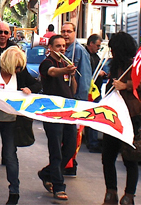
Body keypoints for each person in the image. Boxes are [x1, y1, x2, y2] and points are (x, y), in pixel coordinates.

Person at [0, 46, 41, 205]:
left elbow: (37, 85)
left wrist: (29, 89)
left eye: (20, 67)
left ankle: (14, 191)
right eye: (16, 67)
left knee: (11, 156)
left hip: (12, 121)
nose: (18, 70)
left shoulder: (21, 72)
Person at [101, 32, 141, 205]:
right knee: (108, 156)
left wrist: (126, 85)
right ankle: (111, 193)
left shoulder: (134, 66)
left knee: (131, 157)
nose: (111, 52)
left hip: (131, 117)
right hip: (113, 116)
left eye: (113, 48)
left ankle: (129, 196)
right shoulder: (114, 66)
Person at [37, 35, 78, 201]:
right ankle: (58, 186)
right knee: (56, 150)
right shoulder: (47, 63)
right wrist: (65, 71)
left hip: (68, 111)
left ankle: (47, 173)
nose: (62, 49)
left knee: (70, 147)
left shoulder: (65, 63)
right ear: (51, 48)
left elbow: (72, 88)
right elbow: (52, 73)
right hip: (52, 111)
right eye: (58, 46)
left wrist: (72, 74)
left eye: (64, 46)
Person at [60, 22, 92, 176]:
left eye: (69, 31)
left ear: (74, 32)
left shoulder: (79, 51)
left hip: (75, 101)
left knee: (73, 136)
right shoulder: (62, 51)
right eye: (63, 31)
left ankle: (70, 164)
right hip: (62, 100)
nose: (66, 34)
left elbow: (85, 80)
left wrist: (80, 102)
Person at [85, 34, 106, 153]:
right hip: (91, 92)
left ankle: (91, 141)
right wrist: (99, 74)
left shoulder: (94, 56)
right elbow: (89, 73)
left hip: (95, 91)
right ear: (91, 44)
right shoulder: (86, 56)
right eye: (97, 45)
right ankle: (92, 142)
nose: (98, 48)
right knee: (93, 116)